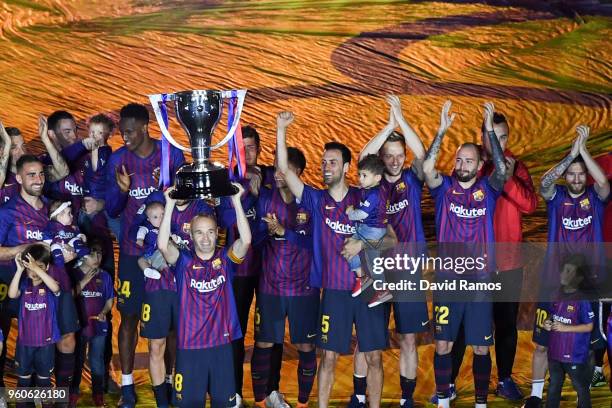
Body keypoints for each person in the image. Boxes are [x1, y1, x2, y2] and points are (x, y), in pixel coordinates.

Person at [276, 111, 397, 408]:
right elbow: (284, 169)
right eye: (322, 162)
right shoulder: (316, 200)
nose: (325, 167)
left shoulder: (364, 196)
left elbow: (392, 238)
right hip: (333, 291)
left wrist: (361, 242)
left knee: (373, 357)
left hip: (368, 288)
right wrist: (280, 130)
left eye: (331, 162)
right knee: (328, 358)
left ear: (345, 167)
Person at [446, 110, 538, 402]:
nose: (497, 142)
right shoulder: (470, 166)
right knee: (461, 324)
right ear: (482, 137)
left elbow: (530, 205)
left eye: (502, 137)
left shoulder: (517, 166)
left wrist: (507, 178)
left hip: (509, 260)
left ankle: (505, 379)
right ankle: (447, 383)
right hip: (473, 263)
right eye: (491, 136)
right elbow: (453, 201)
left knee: (506, 323)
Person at [424, 102, 507, 408]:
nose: (462, 164)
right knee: (444, 343)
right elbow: (428, 169)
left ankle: (481, 403)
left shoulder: (489, 189)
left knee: (482, 348)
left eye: (468, 160)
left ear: (477, 164)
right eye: (459, 159)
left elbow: (502, 169)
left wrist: (488, 131)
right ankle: (444, 399)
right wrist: (442, 130)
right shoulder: (443, 188)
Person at [105, 102, 184, 407]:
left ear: (145, 127)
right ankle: (127, 387)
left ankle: (171, 382)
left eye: (129, 131)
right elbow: (111, 208)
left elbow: (184, 199)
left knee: (173, 323)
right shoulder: (117, 160)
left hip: (168, 253)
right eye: (122, 131)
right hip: (131, 254)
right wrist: (122, 191)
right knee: (129, 318)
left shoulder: (171, 154)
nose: (124, 136)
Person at [353, 95, 431, 407]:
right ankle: (359, 398)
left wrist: (401, 120)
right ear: (382, 158)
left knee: (409, 338)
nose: (395, 160)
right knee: (368, 340)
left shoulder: (413, 180)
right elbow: (363, 155)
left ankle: (406, 400)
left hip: (408, 270)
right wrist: (388, 126)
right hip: (376, 272)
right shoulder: (374, 184)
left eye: (400, 155)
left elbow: (423, 153)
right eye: (389, 156)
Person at [525, 125, 609, 408]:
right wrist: (569, 155)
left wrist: (583, 152)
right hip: (553, 282)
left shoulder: (595, 200)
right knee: (542, 342)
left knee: (586, 342)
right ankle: (537, 397)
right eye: (571, 173)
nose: (575, 178)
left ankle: (583, 393)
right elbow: (545, 184)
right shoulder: (557, 198)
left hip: (588, 285)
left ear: (585, 176)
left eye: (579, 173)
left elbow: (604, 185)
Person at [157, 183, 250, 407]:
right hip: (190, 348)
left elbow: (246, 241)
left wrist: (236, 201)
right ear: (191, 235)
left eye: (210, 232)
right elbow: (162, 244)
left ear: (217, 232)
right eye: (199, 232)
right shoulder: (183, 263)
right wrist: (169, 204)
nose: (206, 238)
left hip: (221, 346)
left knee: (223, 403)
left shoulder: (226, 261)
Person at [250, 126, 317, 408]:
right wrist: (269, 232)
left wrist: (283, 233)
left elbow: (314, 244)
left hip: (304, 289)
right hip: (271, 287)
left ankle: (302, 403)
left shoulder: (312, 200)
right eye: (276, 169)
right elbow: (253, 239)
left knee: (306, 346)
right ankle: (260, 402)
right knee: (264, 343)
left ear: (298, 173)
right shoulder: (265, 198)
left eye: (285, 170)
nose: (278, 174)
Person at [0, 155, 53, 390]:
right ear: (19, 178)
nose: (38, 179)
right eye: (32, 174)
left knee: (46, 347)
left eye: (41, 174)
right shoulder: (7, 211)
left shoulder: (52, 209)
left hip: (42, 294)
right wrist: (18, 250)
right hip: (8, 286)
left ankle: (55, 398)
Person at [8, 244, 60, 408]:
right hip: (25, 343)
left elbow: (56, 288)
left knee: (44, 384)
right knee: (23, 385)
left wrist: (37, 269)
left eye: (39, 266)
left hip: (46, 343)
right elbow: (11, 294)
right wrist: (19, 270)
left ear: (47, 267)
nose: (33, 271)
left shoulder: (50, 284)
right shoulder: (23, 284)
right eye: (30, 267)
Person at [544, 254, 594, 408]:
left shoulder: (582, 299)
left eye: (569, 271)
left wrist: (566, 328)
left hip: (574, 354)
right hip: (555, 352)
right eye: (563, 270)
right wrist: (548, 322)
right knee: (553, 387)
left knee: (580, 387)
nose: (563, 274)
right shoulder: (556, 293)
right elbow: (554, 314)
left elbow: (589, 326)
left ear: (579, 278)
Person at [70, 245, 114, 407]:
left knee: (97, 360)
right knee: (77, 359)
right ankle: (72, 395)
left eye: (100, 254)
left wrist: (104, 311)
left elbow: (110, 299)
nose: (98, 258)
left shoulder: (105, 276)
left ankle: (98, 395)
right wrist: (84, 281)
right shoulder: (74, 273)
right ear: (83, 256)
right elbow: (69, 295)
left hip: (99, 325)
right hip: (79, 325)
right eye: (93, 254)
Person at [345, 154, 387, 303]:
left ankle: (382, 290)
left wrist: (350, 213)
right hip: (367, 227)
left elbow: (361, 213)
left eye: (364, 176)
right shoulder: (368, 188)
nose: (360, 179)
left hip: (373, 230)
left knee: (372, 260)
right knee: (348, 248)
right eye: (359, 175)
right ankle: (362, 278)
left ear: (377, 177)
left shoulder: (375, 194)